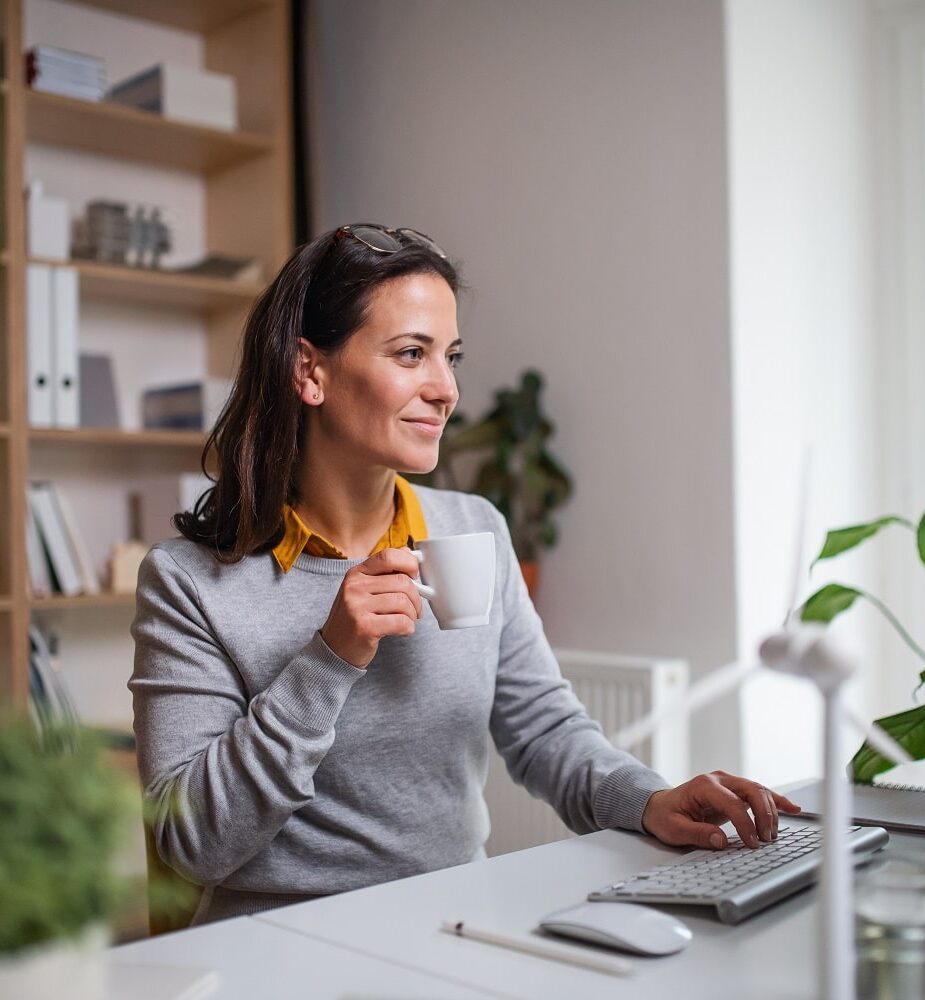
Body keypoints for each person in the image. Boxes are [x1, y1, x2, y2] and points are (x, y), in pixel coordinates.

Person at [130, 224, 799, 925]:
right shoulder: (187, 582)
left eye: (450, 357)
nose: (446, 389)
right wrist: (326, 660)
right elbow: (191, 843)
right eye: (411, 354)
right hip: (280, 942)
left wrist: (649, 800)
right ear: (310, 371)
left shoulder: (472, 529)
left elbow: (544, 732)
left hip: (454, 923)